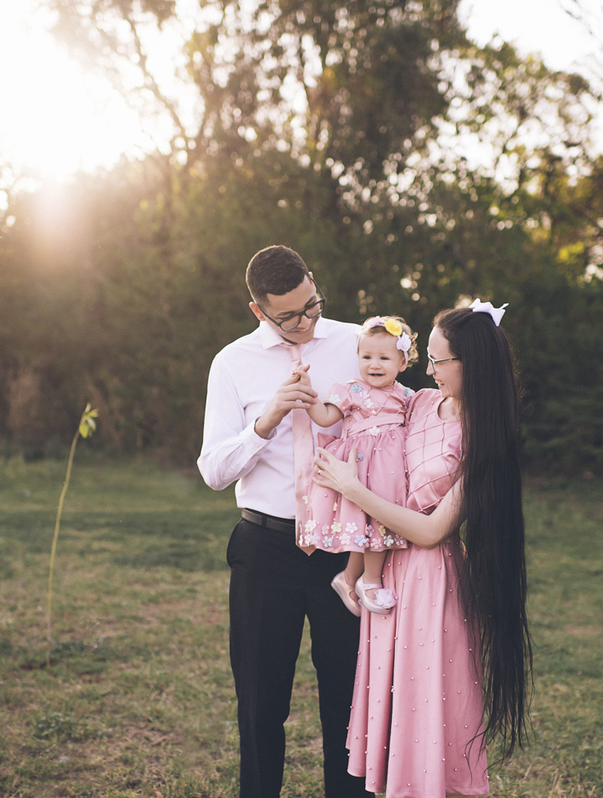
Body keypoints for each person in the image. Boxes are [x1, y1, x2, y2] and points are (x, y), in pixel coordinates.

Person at [313, 301, 531, 798]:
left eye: (438, 362)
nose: (428, 371)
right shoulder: (421, 404)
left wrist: (353, 490)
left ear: (469, 365)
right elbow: (370, 428)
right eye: (426, 360)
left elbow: (433, 531)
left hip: (432, 581)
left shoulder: (486, 438)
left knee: (428, 708)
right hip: (386, 572)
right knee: (393, 711)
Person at [197, 245, 373, 798]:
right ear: (258, 311)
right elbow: (213, 471)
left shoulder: (356, 343)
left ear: (314, 284)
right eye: (288, 316)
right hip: (264, 548)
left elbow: (399, 412)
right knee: (259, 701)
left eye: (311, 306)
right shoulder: (232, 363)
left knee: (349, 702)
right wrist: (267, 420)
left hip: (342, 549)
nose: (304, 322)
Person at [295, 315, 417, 616]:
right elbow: (324, 417)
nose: (374, 364)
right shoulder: (350, 389)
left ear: (402, 363)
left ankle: (348, 577)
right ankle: (370, 579)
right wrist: (308, 392)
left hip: (389, 472)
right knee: (370, 523)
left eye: (384, 358)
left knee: (380, 520)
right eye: (367, 356)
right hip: (359, 469)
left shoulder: (407, 397)